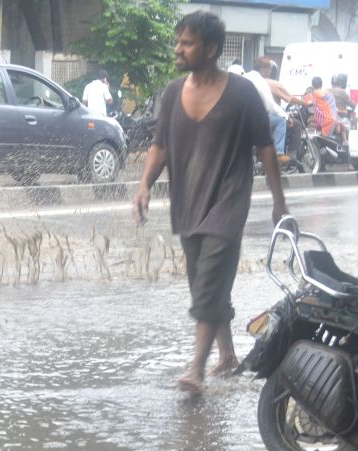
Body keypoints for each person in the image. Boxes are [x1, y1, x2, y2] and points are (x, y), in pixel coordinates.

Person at [132, 11, 288, 395]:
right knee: (205, 283)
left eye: (187, 43)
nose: (178, 49)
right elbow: (160, 146)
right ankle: (228, 355)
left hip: (228, 203)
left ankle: (196, 369)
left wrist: (277, 202)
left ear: (211, 48)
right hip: (187, 204)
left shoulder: (241, 93)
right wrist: (144, 185)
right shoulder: (172, 93)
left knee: (210, 283)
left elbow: (265, 147)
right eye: (178, 42)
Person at [244, 57, 288, 158]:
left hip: (241, 118)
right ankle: (278, 154)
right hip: (254, 119)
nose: (269, 72)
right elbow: (270, 105)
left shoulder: (244, 76)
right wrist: (287, 116)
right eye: (268, 69)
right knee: (281, 121)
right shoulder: (261, 81)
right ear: (263, 68)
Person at [329, 73, 355, 143]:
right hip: (341, 118)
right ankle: (345, 141)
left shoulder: (326, 91)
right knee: (351, 128)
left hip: (328, 117)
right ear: (341, 83)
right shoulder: (343, 92)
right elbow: (352, 104)